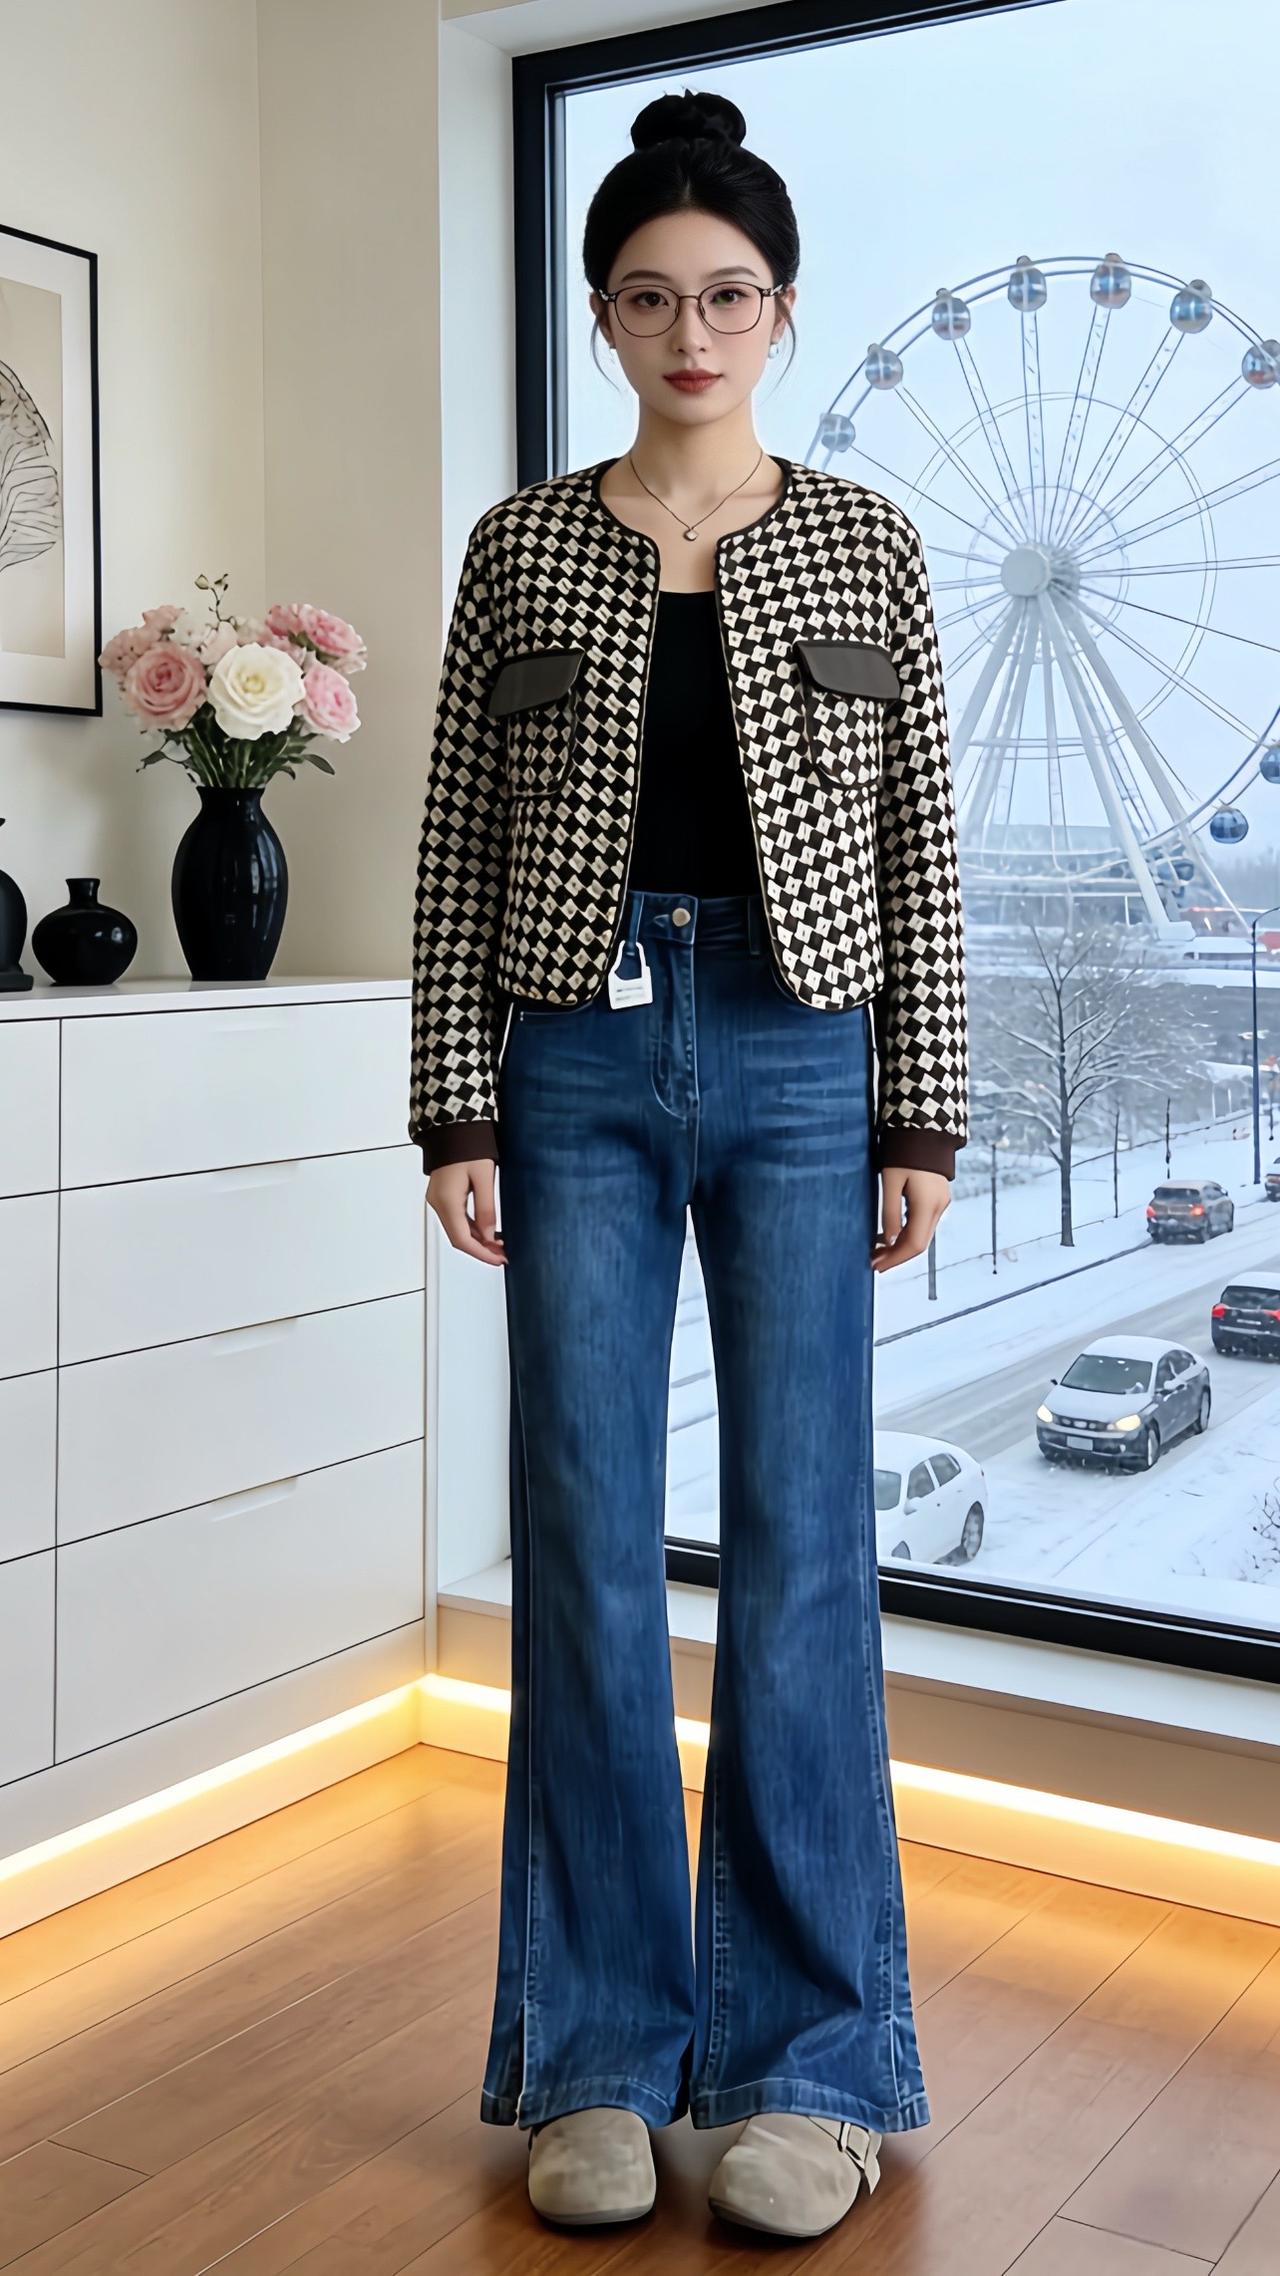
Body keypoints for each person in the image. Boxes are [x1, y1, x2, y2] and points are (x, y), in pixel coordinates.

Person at [409, 85, 968, 2244]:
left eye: (728, 295)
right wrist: (456, 1102)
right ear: (602, 319)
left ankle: (814, 2067)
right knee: (578, 1537)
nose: (691, 331)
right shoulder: (521, 548)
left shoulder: (866, 542)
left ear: (782, 309)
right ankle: (598, 2058)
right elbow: (454, 841)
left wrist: (920, 1112)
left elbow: (922, 842)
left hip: (806, 1053)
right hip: (569, 1055)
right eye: (649, 298)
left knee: (807, 1541)